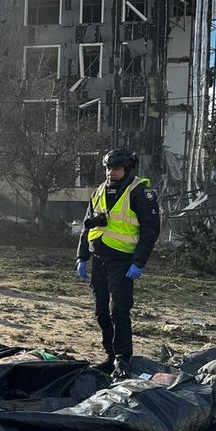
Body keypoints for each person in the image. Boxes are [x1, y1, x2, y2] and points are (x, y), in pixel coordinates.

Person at [76, 148, 160, 380]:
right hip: (99, 259)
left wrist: (139, 262)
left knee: (119, 312)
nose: (110, 173)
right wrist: (82, 257)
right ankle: (110, 356)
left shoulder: (140, 192)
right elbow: (87, 225)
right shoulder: (99, 191)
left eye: (116, 169)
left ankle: (123, 361)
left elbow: (150, 230)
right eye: (107, 168)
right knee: (101, 312)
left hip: (123, 261)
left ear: (127, 169)